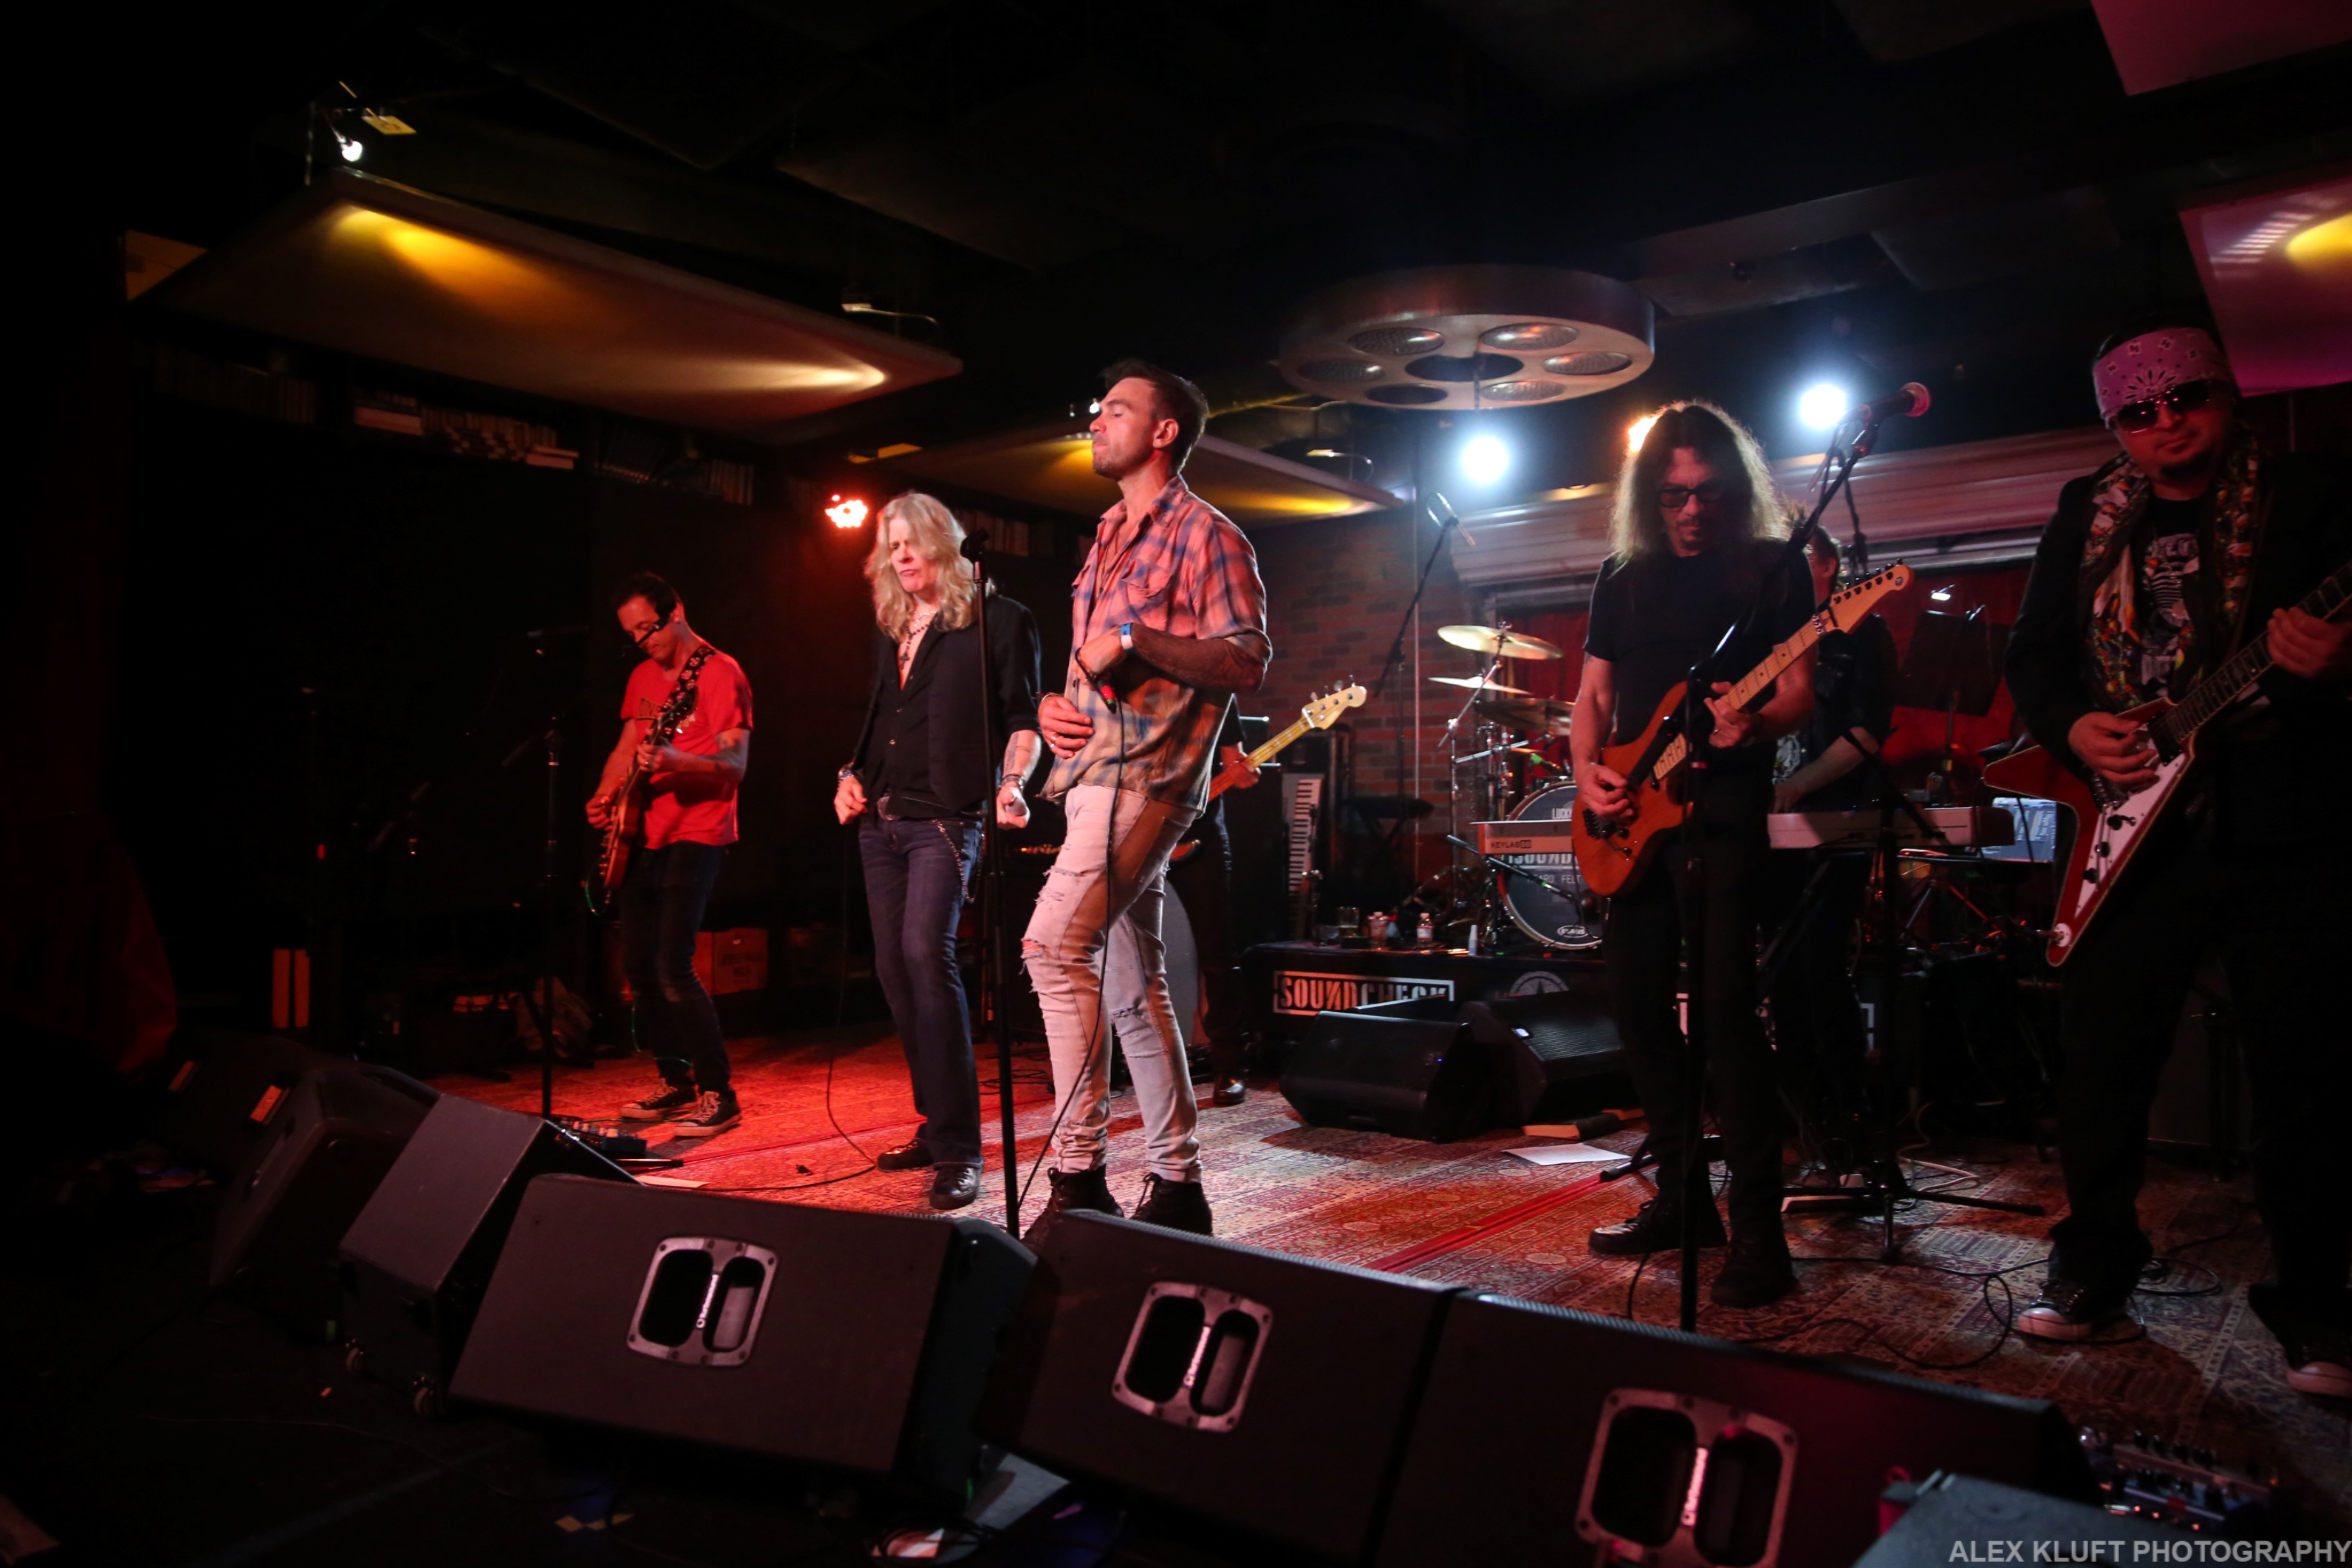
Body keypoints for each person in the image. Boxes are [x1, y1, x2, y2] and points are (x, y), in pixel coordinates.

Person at [2002, 321, 2350, 1391]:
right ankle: (2093, 1265)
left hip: (2280, 820)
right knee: (2103, 1061)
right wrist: (2074, 729)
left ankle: (2317, 1305)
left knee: (2303, 1071)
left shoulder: (2309, 492)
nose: (2167, 424)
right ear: (2115, 426)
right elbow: (2034, 655)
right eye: (2137, 412)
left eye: (2186, 398)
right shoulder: (2089, 512)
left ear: (2227, 395)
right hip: (2134, 822)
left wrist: (2340, 664)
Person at [1568, 401, 1817, 1308]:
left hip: (1722, 811)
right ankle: (1682, 1202)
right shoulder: (1621, 576)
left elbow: (1798, 690)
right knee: (1635, 1008)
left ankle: (1760, 1233)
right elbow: (1593, 698)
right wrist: (1587, 773)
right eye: (1673, 496)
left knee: (1723, 1014)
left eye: (1709, 493)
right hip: (1632, 813)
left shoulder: (1773, 567)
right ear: (1649, 496)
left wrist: (1757, 724)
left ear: (1736, 491)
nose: (1692, 511)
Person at [1023, 359, 1270, 1240]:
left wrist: (1134, 636)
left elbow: (1245, 659)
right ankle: (1177, 1187)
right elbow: (1088, 670)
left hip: (1148, 781)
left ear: (1165, 433)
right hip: (1090, 778)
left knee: (1053, 948)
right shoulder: (1105, 534)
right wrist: (1054, 708)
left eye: (1118, 411)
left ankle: (1078, 1176)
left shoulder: (1209, 535)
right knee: (1133, 989)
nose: (1097, 422)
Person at [836, 493, 1043, 1212]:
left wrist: (1013, 783)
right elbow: (878, 723)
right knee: (895, 969)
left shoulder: (998, 619)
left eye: (910, 541)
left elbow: (1023, 717)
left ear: (942, 543)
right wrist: (849, 776)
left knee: (928, 956)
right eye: (890, 545)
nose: (900, 555)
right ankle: (935, 1124)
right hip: (883, 821)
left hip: (947, 821)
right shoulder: (892, 628)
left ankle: (960, 1149)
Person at [588, 572, 754, 1136]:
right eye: (632, 633)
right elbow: (626, 747)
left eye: (649, 628)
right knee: (637, 966)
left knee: (672, 965)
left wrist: (678, 762)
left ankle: (719, 1092)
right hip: (641, 831)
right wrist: (605, 796)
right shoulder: (641, 675)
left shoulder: (721, 673)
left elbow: (735, 766)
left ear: (676, 611)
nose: (643, 641)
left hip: (698, 831)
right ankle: (675, 1079)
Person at [1765, 530, 1897, 1163]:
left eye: (1799, 565)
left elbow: (1866, 733)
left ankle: (1850, 1120)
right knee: (1779, 975)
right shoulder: (1769, 637)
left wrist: (1798, 785)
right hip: (1767, 828)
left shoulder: (1862, 630)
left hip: (1834, 819)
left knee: (1821, 967)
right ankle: (1799, 1118)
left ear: (1828, 566)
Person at [1162, 709, 1261, 1107]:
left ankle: (1230, 1066)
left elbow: (1236, 760)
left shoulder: (1219, 691)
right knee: (1119, 952)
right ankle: (1116, 1064)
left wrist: (1244, 772)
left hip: (1199, 831)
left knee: (1217, 950)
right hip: (1137, 827)